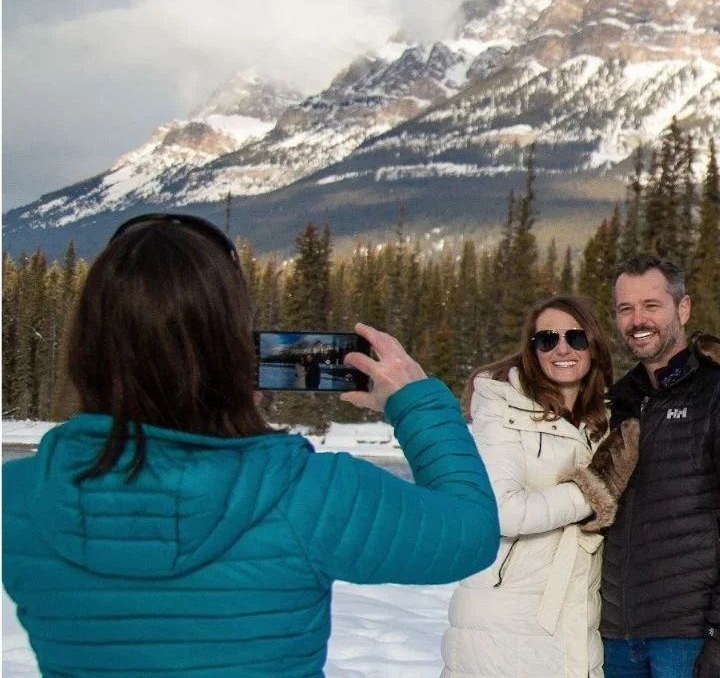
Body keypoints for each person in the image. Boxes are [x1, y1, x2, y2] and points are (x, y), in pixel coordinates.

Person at [1, 213, 501, 677]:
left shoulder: (17, 496)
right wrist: (415, 403)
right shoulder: (308, 493)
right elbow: (471, 534)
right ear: (234, 351)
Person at [578, 255, 720, 678]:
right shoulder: (620, 401)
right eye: (625, 309)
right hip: (615, 636)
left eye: (651, 306)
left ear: (682, 309)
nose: (638, 320)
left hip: (689, 638)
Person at [441, 295, 616, 678]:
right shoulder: (502, 409)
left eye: (576, 337)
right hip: (506, 620)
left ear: (594, 345)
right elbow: (499, 510)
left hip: (576, 618)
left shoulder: (603, 421)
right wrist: (589, 493)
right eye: (547, 339)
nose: (562, 349)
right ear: (532, 349)